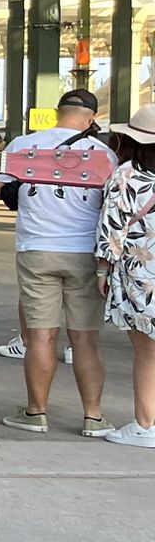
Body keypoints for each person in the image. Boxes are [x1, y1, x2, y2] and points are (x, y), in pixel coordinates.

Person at [0, 88, 112, 435]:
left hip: (37, 249)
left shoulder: (22, 145)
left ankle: (35, 413)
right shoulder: (104, 153)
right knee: (85, 340)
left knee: (40, 337)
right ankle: (93, 417)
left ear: (58, 113)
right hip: (84, 252)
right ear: (90, 119)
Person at [97, 103, 155, 448]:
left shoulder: (127, 174)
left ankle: (146, 424)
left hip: (142, 274)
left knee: (147, 350)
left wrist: (102, 271)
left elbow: (112, 228)